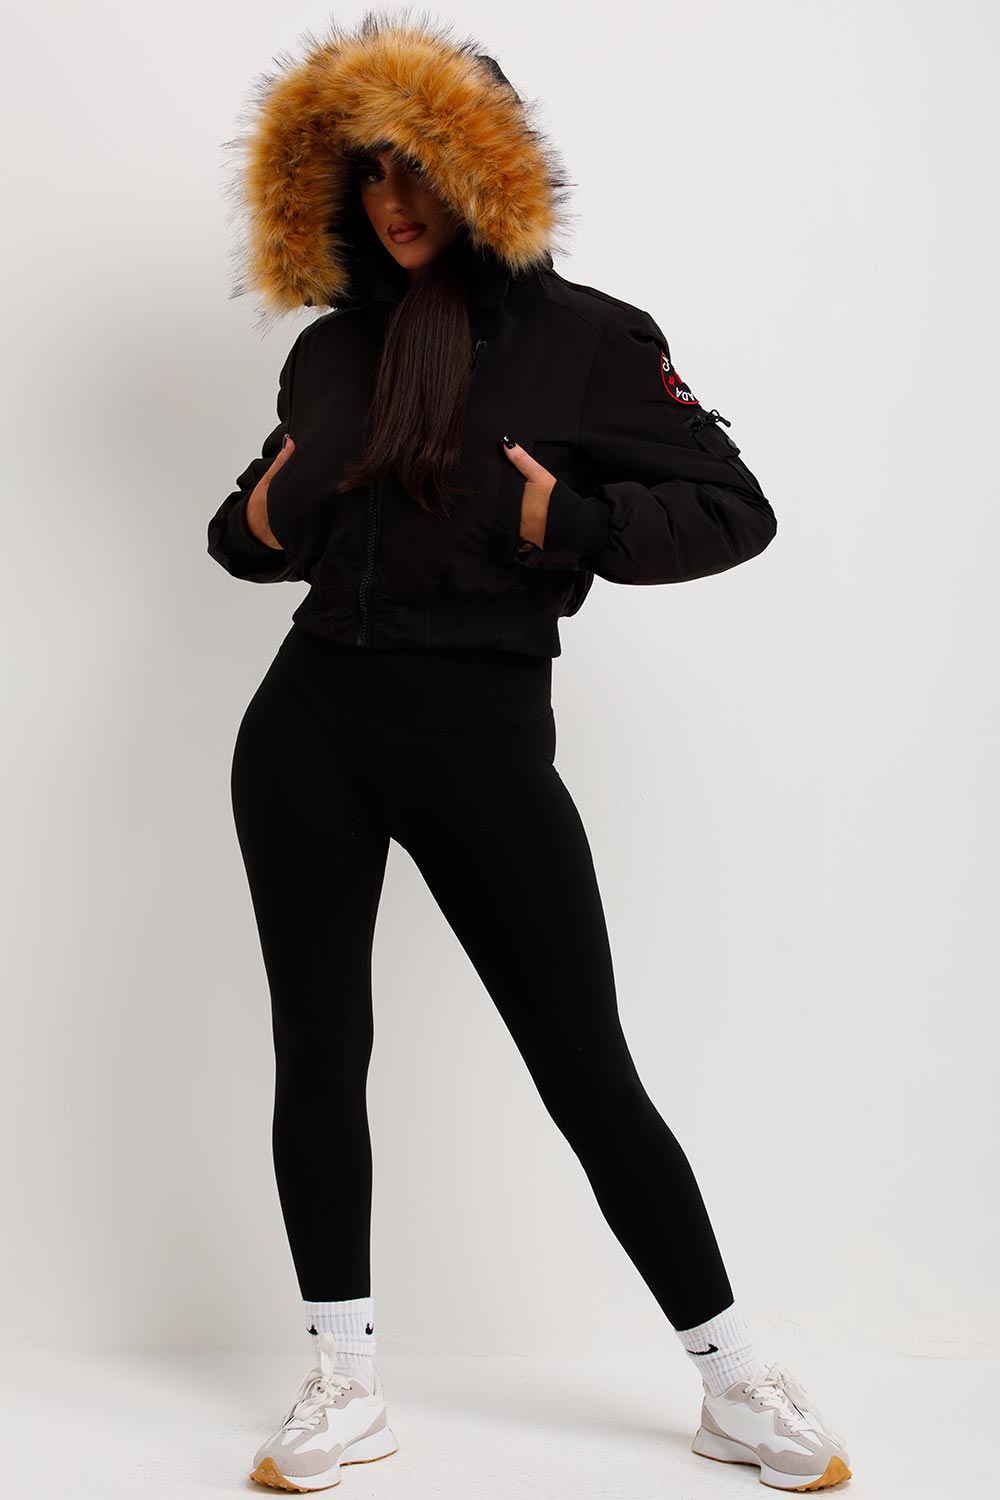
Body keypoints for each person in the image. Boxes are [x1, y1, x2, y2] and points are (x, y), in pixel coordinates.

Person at [207, 12, 851, 1494]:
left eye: (417, 167)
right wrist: (273, 508)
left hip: (483, 736)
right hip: (306, 730)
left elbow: (735, 509)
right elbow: (243, 537)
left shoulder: (594, 342)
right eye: (368, 175)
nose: (392, 202)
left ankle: (734, 1380)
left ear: (481, 168)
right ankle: (341, 1379)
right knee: (320, 1054)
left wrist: (574, 523)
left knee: (584, 1068)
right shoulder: (334, 349)